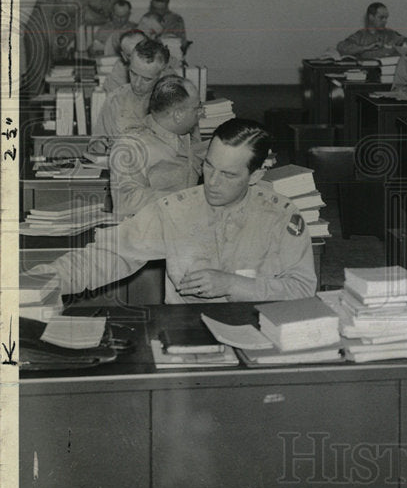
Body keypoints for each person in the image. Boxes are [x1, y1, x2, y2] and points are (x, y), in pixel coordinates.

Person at [25, 119, 317, 304]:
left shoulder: (281, 216)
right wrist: (34, 283)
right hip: (190, 331)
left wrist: (235, 284)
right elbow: (106, 256)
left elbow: (303, 287)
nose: (211, 183)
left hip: (265, 328)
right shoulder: (176, 210)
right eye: (209, 167)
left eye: (228, 175)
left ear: (254, 177)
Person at [110, 75, 205, 218]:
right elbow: (126, 202)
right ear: (178, 115)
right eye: (197, 108)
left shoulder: (186, 134)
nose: (201, 113)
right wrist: (189, 198)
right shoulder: (131, 145)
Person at [93, 37, 170, 138]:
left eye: (146, 79)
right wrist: (100, 145)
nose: (137, 84)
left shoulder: (176, 101)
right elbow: (97, 142)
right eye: (133, 73)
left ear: (162, 74)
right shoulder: (115, 100)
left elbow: (192, 149)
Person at [334, 2, 405, 58]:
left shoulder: (391, 34)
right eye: (381, 18)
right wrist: (366, 48)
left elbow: (406, 42)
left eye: (386, 18)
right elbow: (341, 47)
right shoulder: (360, 35)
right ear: (371, 17)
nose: (385, 21)